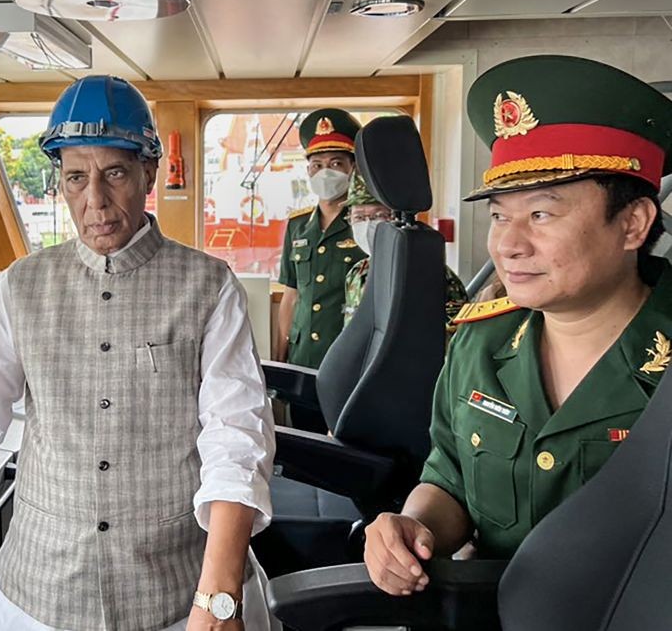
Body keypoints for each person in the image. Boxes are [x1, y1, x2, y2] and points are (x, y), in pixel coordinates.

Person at [0, 75, 276, 631]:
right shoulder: (21, 286)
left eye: (115, 174)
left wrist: (218, 596)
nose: (96, 201)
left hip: (180, 595)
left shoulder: (210, 286)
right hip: (37, 596)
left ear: (148, 172)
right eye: (76, 178)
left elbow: (237, 438)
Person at [364, 55, 672, 596]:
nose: (508, 244)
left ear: (632, 223)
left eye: (542, 214)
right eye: (502, 215)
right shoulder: (480, 343)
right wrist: (415, 527)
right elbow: (451, 476)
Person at [275, 109, 366, 368]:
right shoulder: (298, 225)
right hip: (302, 355)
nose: (325, 172)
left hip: (347, 357)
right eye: (317, 165)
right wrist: (281, 356)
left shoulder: (367, 224)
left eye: (336, 163)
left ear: (353, 168)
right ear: (308, 171)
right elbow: (290, 296)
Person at [343, 170, 467, 327]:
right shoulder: (357, 273)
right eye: (359, 217)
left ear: (397, 219)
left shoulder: (430, 273)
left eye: (379, 215)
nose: (367, 224)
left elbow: (457, 336)